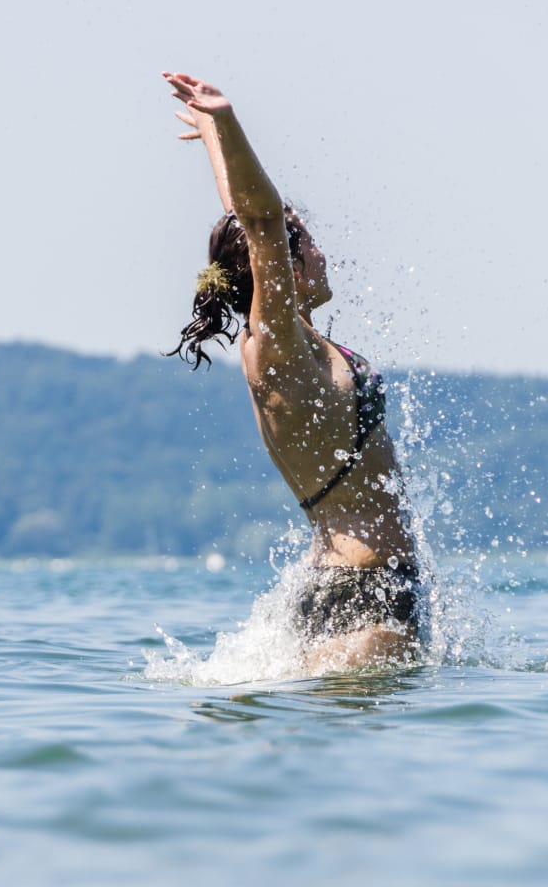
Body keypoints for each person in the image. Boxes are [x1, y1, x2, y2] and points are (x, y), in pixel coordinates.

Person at [162, 71, 422, 674]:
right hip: (367, 597)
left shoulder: (285, 343)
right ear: (279, 264)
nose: (321, 253)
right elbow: (259, 224)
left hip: (350, 586)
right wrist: (227, 121)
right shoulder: (278, 347)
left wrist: (211, 136)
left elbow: (248, 217)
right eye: (305, 243)